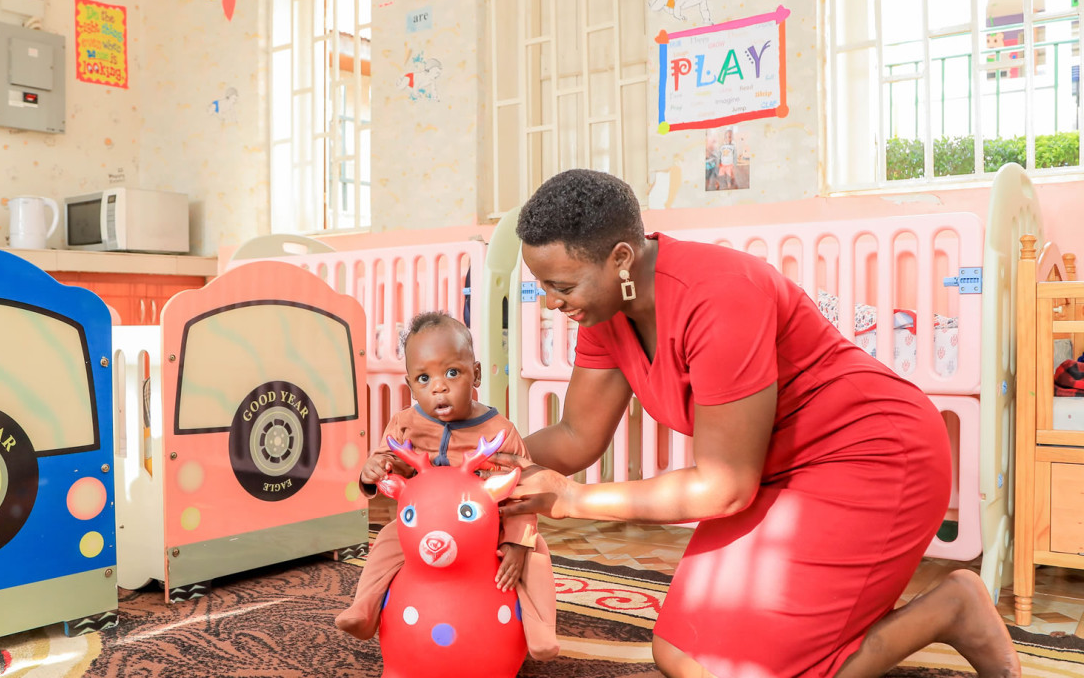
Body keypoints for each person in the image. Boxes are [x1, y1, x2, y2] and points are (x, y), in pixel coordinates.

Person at [497, 169, 1019, 678]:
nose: (550, 301)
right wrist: (481, 456)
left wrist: (572, 499)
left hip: (873, 454)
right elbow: (574, 437)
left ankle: (951, 609)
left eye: (560, 284)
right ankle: (829, 620)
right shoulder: (605, 310)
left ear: (621, 259)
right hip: (774, 473)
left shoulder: (719, 295)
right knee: (680, 653)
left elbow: (724, 489)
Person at [335, 311, 559, 660]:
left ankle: (541, 630)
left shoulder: (500, 432)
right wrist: (371, 472)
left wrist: (516, 542)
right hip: (422, 529)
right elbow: (385, 464)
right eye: (424, 378)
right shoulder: (404, 425)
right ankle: (364, 608)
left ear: (477, 374)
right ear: (410, 386)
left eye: (452, 373)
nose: (438, 387)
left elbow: (525, 491)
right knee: (385, 541)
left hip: (490, 530)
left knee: (537, 557)